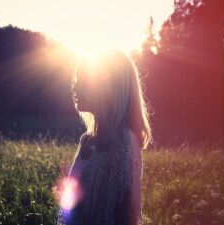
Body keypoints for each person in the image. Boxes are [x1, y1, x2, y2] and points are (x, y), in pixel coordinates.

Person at [56, 50, 153, 225]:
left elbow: (126, 214)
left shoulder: (123, 141)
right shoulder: (87, 139)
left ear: (107, 88)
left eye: (83, 81)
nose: (75, 87)